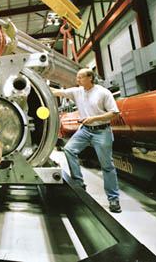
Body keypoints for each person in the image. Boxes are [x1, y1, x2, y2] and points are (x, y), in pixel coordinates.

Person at [51, 68, 122, 213]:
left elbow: (114, 113)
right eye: (77, 77)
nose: (77, 80)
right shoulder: (78, 91)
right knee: (70, 149)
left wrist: (94, 118)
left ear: (90, 78)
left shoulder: (103, 92)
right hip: (85, 130)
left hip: (102, 131)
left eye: (80, 77)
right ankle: (79, 183)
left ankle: (113, 198)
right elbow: (56, 92)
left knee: (107, 166)